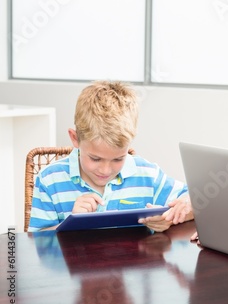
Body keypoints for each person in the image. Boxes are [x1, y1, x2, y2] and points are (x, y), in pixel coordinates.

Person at [28, 80, 193, 232]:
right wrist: (69, 225)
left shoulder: (147, 175)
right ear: (75, 138)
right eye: (95, 158)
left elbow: (195, 201)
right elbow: (35, 243)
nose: (105, 170)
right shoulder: (49, 180)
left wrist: (171, 218)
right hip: (74, 264)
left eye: (118, 159)